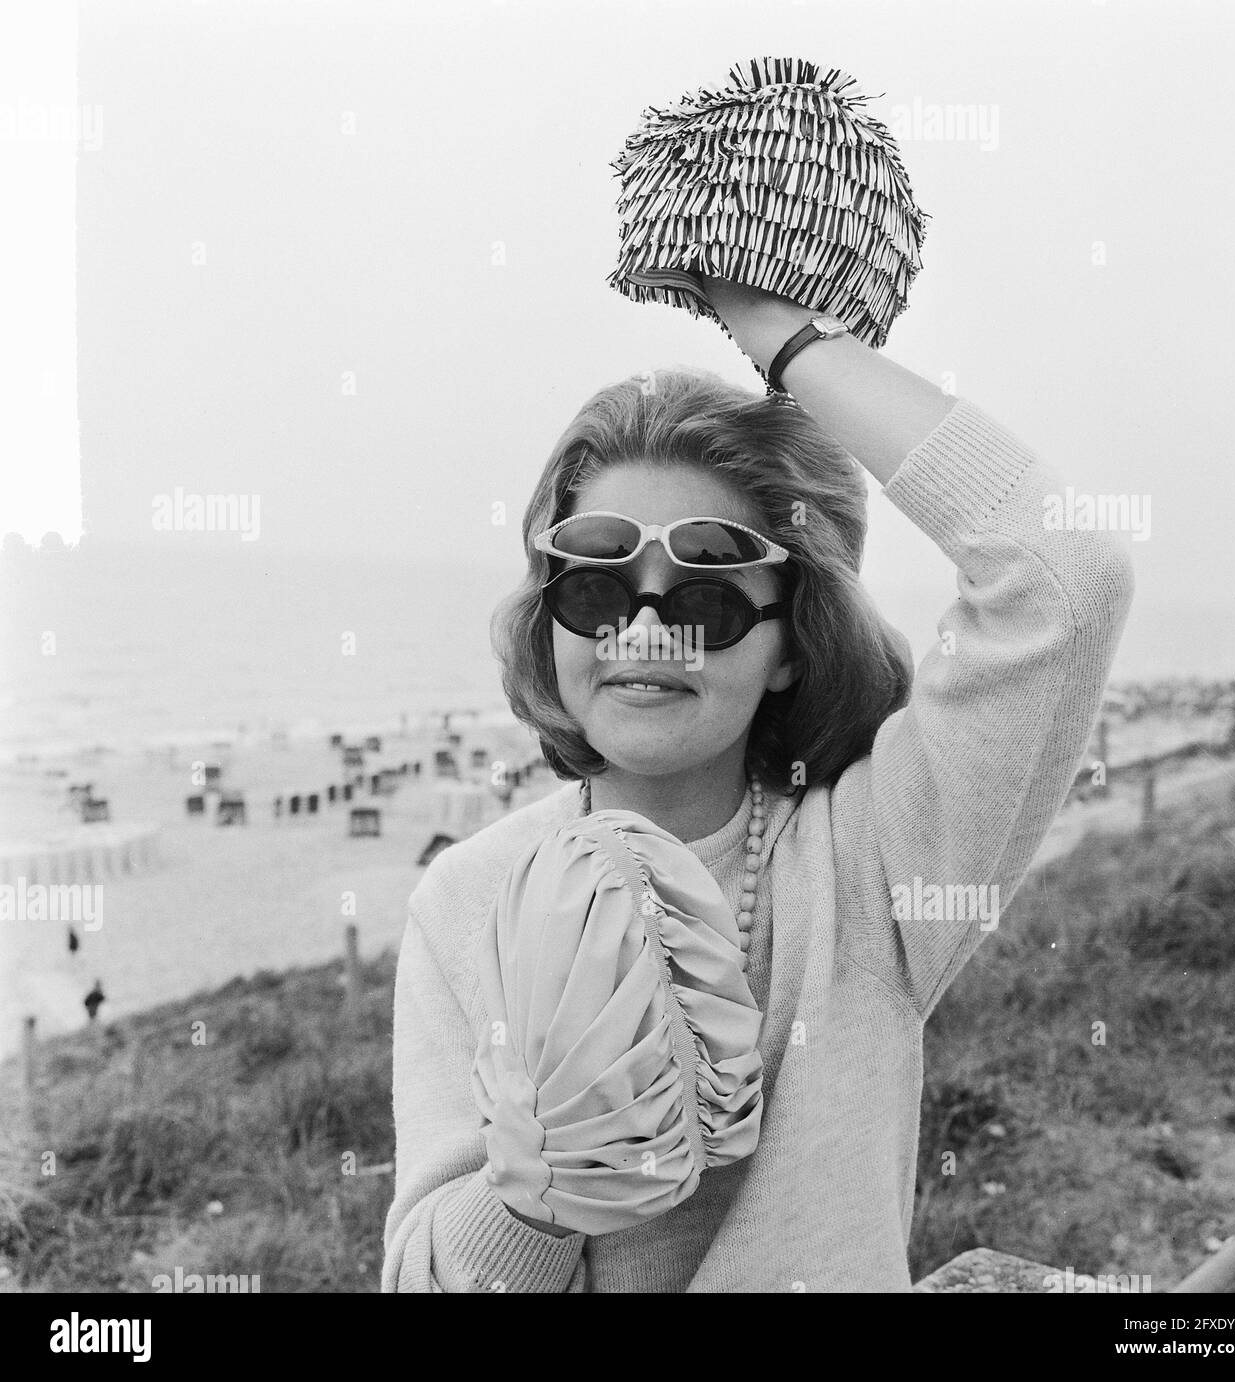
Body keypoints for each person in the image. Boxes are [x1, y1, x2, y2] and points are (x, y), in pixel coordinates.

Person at [382, 275, 1135, 1292]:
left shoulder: (872, 861)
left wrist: (786, 342)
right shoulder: (466, 898)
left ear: (791, 640)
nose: (644, 630)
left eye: (706, 590)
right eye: (596, 583)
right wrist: (534, 1188)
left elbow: (1064, 574)